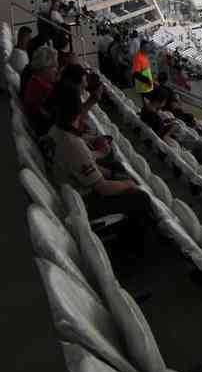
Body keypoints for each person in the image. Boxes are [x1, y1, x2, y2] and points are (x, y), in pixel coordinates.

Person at [47, 91, 153, 254]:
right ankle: (134, 248)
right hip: (86, 201)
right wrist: (127, 184)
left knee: (116, 168)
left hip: (70, 186)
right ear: (76, 111)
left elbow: (84, 165)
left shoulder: (55, 130)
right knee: (140, 198)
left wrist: (113, 173)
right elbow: (103, 188)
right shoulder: (73, 144)